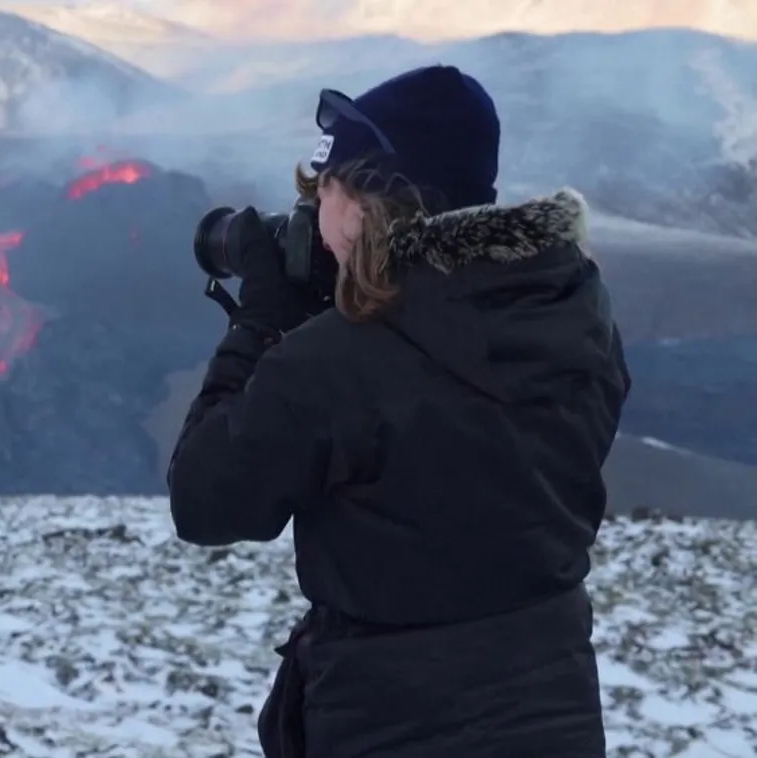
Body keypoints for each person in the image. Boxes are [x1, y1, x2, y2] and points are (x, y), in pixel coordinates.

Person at [167, 65, 631, 758]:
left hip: (387, 720)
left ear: (362, 207)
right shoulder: (570, 314)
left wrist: (260, 328)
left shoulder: (343, 360)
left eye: (322, 190)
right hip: (551, 703)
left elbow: (205, 501)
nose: (311, 218)